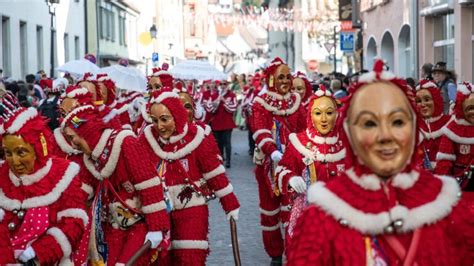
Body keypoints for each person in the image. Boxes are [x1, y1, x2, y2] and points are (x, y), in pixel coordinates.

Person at [286, 59, 474, 265]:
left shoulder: (449, 209)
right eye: (369, 123)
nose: (384, 135)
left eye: (397, 121)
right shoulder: (320, 219)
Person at [138, 90, 239, 265]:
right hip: (159, 211)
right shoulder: (148, 140)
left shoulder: (197, 137)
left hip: (192, 208)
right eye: (154, 121)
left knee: (190, 256)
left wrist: (230, 204)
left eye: (164, 119)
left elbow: (214, 172)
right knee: (161, 259)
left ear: (176, 116)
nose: (159, 126)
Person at [60, 104, 170, 264]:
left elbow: (149, 184)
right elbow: (83, 190)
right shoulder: (91, 157)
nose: (72, 143)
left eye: (72, 137)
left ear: (84, 131)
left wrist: (157, 228)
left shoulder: (125, 142)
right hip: (112, 226)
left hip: (139, 224)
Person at [0, 102, 87, 264]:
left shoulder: (63, 174)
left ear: (38, 148)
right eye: (8, 153)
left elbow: (74, 223)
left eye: (21, 152)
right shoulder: (2, 174)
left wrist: (38, 254)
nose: (14, 161)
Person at [276, 86, 345, 248]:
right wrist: (290, 178)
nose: (324, 119)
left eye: (329, 113)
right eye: (318, 113)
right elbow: (281, 170)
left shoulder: (348, 143)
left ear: (337, 114)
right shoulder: (297, 142)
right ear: (310, 115)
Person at [252, 57, 306, 265]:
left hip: (294, 164)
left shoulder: (295, 101)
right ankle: (275, 253)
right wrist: (272, 151)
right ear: (271, 80)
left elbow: (303, 128)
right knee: (269, 211)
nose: (285, 81)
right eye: (280, 77)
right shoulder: (261, 102)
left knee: (292, 208)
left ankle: (293, 252)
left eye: (287, 76)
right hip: (268, 167)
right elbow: (260, 129)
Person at [435, 82, 474, 191]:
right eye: (470, 108)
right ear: (462, 109)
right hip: (460, 184)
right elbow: (444, 162)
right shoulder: (452, 130)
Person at [415, 79, 453, 171]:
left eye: (427, 99)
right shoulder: (414, 125)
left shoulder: (450, 123)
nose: (423, 104)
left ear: (436, 100)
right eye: (419, 101)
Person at [210, 80, 237, 168]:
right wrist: (217, 100)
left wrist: (224, 101)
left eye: (224, 84)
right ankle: (220, 159)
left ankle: (228, 161)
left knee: (227, 142)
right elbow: (210, 109)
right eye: (221, 84)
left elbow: (233, 108)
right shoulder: (214, 95)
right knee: (219, 143)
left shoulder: (232, 95)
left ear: (227, 85)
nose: (222, 86)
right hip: (217, 123)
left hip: (227, 123)